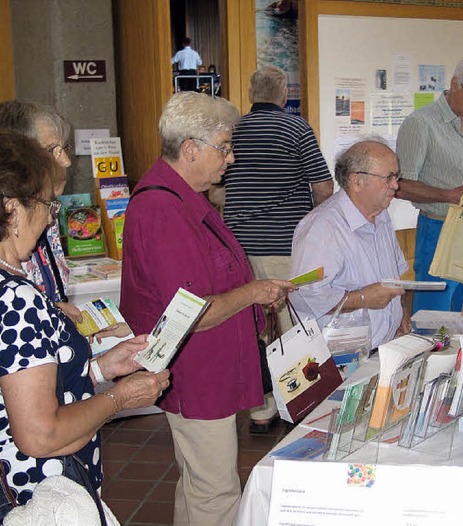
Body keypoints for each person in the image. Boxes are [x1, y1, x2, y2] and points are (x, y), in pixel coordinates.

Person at [119, 91, 296, 526]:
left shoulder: (185, 197)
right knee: (216, 492)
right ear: (190, 149)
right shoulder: (162, 206)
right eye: (225, 147)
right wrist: (254, 292)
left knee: (200, 484)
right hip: (196, 373)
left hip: (206, 369)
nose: (231, 159)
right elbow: (191, 312)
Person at [0, 129, 169, 509]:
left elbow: (22, 382)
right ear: (13, 209)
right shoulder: (15, 298)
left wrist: (100, 369)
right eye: (47, 204)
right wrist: (120, 398)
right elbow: (41, 434)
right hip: (36, 495)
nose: (50, 220)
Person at [214, 64, 333, 433]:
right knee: (292, 325)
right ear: (284, 94)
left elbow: (218, 189)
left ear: (251, 95)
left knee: (251, 329)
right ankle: (298, 403)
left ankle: (260, 410)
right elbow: (324, 188)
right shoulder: (297, 128)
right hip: (284, 245)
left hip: (239, 249)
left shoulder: (232, 132)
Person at [395, 58, 463, 313]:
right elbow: (400, 186)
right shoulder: (420, 124)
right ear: (454, 84)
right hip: (439, 228)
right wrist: (447, 195)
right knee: (433, 315)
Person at [289, 139, 410, 352]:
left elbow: (394, 275)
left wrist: (399, 312)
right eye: (388, 177)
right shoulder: (322, 228)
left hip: (381, 350)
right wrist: (363, 298)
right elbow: (304, 296)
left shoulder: (381, 216)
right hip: (340, 361)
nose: (395, 185)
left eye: (396, 176)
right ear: (357, 181)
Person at [0, 100, 84, 324]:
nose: (65, 162)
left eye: (64, 149)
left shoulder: (48, 211)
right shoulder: (13, 221)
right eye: (52, 151)